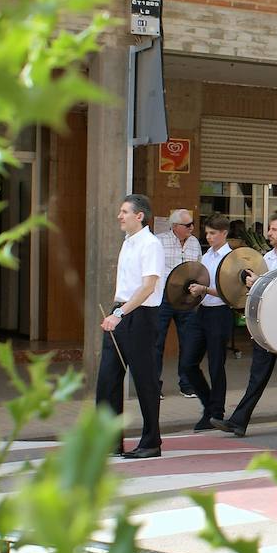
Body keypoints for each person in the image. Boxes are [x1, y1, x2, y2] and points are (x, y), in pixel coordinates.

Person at [211, 213, 277, 438]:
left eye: (274, 229)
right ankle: (239, 421)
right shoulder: (267, 257)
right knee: (257, 374)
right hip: (266, 324)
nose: (268, 233)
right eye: (269, 229)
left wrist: (259, 281)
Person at [96, 194, 164, 458]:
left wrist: (120, 314)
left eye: (124, 212)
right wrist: (116, 311)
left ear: (140, 216)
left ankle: (151, 443)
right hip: (121, 311)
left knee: (145, 380)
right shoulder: (128, 242)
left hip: (140, 317)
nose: (119, 216)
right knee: (107, 380)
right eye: (120, 211)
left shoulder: (151, 244)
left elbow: (148, 287)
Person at [182, 216, 234, 431]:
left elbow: (229, 291)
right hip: (202, 311)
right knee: (188, 363)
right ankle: (208, 404)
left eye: (213, 233)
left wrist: (204, 289)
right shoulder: (207, 256)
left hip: (220, 313)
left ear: (224, 233)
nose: (209, 236)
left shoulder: (231, 258)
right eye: (207, 233)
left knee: (215, 365)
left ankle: (216, 412)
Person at [153, 208, 202, 398]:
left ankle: (187, 384)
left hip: (186, 297)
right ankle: (154, 386)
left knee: (188, 341)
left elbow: (198, 267)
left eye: (192, 224)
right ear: (175, 227)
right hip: (164, 296)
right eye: (187, 225)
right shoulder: (159, 241)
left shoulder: (194, 243)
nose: (191, 228)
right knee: (157, 342)